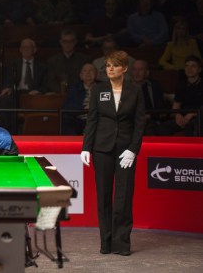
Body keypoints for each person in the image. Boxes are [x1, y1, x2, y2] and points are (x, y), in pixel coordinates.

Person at [81, 50, 145, 257]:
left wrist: (133, 150)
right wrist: (86, 147)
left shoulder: (135, 90)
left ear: (124, 68)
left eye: (115, 65)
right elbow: (92, 119)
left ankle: (121, 244)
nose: (110, 69)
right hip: (102, 148)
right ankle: (106, 243)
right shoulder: (99, 89)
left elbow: (139, 124)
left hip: (126, 150)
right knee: (103, 196)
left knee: (123, 197)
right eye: (108, 65)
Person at [157, 55, 203, 136]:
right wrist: (177, 115)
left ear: (199, 69)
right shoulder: (181, 85)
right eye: (187, 66)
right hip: (183, 117)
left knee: (191, 126)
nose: (189, 69)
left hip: (199, 118)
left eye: (193, 66)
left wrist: (192, 114)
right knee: (163, 127)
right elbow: (176, 105)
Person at [47, 28, 91, 94]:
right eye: (65, 41)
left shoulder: (84, 59)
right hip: (59, 94)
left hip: (79, 93)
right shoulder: (53, 61)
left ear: (75, 42)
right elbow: (51, 81)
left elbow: (86, 79)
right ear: (60, 42)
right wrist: (62, 93)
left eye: (70, 41)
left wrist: (74, 92)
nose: (67, 44)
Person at [131, 59, 167, 136]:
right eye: (134, 70)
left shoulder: (154, 86)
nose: (137, 73)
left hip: (151, 119)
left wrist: (148, 116)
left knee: (150, 129)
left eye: (140, 70)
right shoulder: (125, 87)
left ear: (147, 72)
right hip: (131, 120)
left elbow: (160, 108)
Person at [62, 63, 99, 135]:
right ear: (81, 76)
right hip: (79, 120)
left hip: (98, 120)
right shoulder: (74, 90)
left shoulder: (103, 88)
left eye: (91, 71)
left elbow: (108, 107)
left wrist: (93, 106)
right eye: (85, 71)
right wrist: (83, 108)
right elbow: (67, 108)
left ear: (97, 75)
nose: (88, 73)